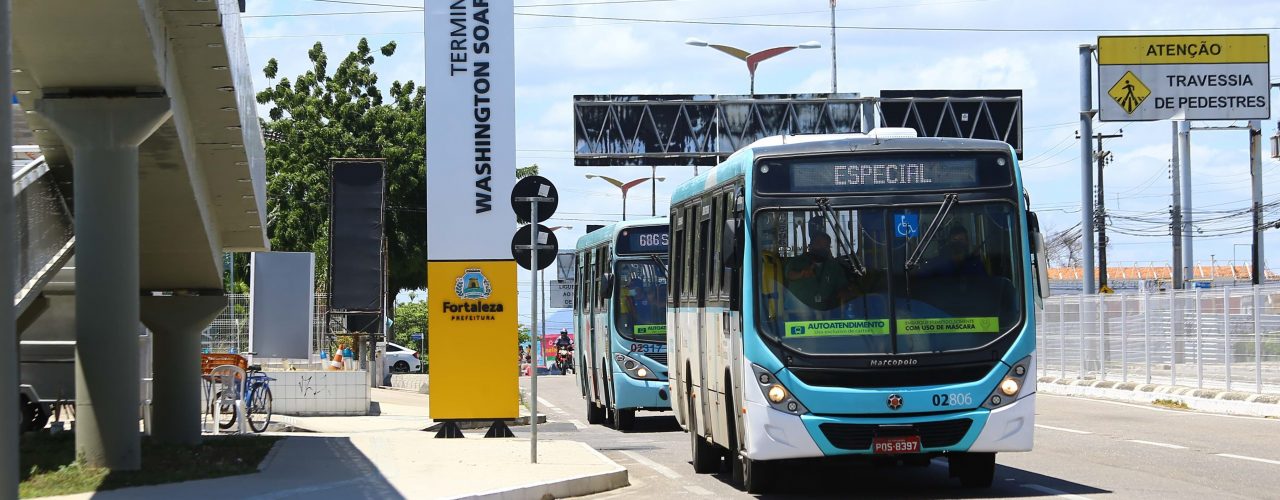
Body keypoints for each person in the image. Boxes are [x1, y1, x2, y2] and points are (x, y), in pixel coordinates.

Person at [784, 232, 849, 312]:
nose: (822, 247)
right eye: (818, 243)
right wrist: (801, 274)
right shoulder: (797, 261)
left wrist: (845, 292)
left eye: (826, 245)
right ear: (810, 245)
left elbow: (843, 286)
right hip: (796, 312)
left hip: (826, 312)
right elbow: (789, 275)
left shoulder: (834, 267)